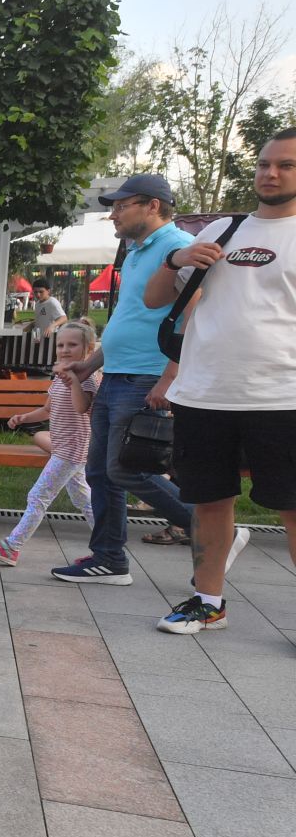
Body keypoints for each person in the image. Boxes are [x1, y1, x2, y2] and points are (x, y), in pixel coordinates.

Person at [139, 129, 296, 633]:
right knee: (207, 501)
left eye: (286, 166)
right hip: (205, 393)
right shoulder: (224, 229)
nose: (271, 174)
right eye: (265, 163)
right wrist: (175, 259)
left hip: (283, 395)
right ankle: (207, 602)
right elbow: (154, 299)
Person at [51, 173, 199, 583]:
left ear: (153, 206)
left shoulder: (180, 248)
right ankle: (109, 559)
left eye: (121, 205)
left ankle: (210, 527)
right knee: (100, 473)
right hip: (117, 374)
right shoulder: (135, 252)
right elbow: (127, 318)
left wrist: (170, 376)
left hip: (146, 377)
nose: (113, 214)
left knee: (126, 471)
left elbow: (196, 316)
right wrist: (91, 363)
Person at [0, 322, 99, 565]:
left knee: (38, 496)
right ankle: (108, 546)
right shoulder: (59, 378)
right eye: (60, 345)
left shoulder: (88, 379)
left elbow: (82, 407)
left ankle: (12, 547)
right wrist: (24, 418)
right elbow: (47, 410)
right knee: (84, 500)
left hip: (71, 450)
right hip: (63, 448)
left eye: (72, 345)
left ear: (89, 348)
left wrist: (73, 380)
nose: (64, 350)